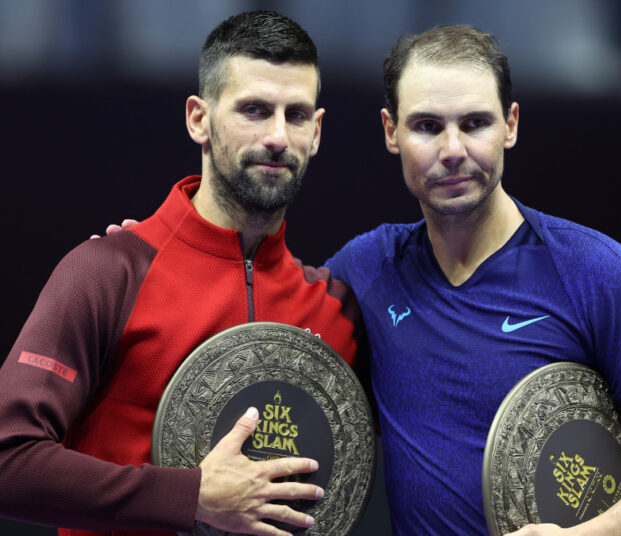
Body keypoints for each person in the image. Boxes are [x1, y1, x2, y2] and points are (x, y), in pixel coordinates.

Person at [322, 25, 621, 535]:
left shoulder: (595, 272)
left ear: (510, 124)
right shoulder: (367, 268)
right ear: (391, 131)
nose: (452, 148)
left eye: (475, 123)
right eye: (427, 126)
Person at [0, 11, 364, 536]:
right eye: (255, 110)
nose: (278, 137)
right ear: (199, 118)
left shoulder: (336, 309)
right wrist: (189, 496)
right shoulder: (109, 272)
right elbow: (8, 458)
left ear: (318, 130)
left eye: (297, 115)